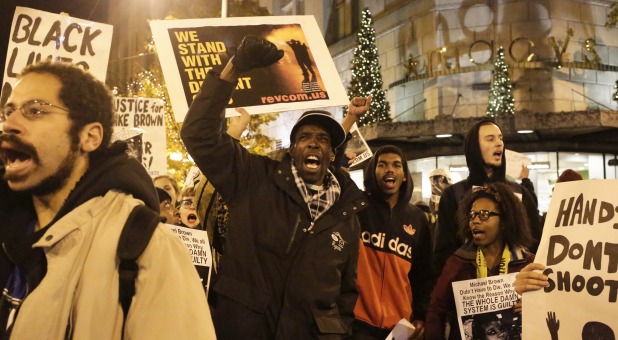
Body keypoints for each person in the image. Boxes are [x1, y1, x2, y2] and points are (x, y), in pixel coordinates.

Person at [0, 61, 214, 339]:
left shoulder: (147, 247)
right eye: (8, 111)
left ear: (89, 137)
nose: (9, 124)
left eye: (36, 110)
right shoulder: (8, 227)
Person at [181, 34, 371, 338]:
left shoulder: (347, 215)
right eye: (305, 137)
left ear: (332, 154)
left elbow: (345, 296)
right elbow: (199, 135)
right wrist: (234, 69)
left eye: (323, 139)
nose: (314, 143)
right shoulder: (254, 178)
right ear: (292, 150)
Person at [425, 182, 535, 340]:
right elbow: (436, 310)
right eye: (471, 215)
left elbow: (549, 309)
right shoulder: (458, 262)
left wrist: (534, 307)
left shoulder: (527, 263)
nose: (474, 221)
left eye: (484, 215)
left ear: (505, 220)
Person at [434, 119, 541, 275]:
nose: (499, 144)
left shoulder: (521, 194)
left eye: (501, 138)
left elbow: (535, 243)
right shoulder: (453, 195)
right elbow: (443, 250)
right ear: (474, 148)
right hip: (468, 289)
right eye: (490, 139)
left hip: (516, 289)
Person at [348, 145, 433, 339]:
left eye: (396, 165)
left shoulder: (417, 218)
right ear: (372, 172)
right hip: (356, 325)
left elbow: (424, 275)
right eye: (382, 164)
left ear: (404, 175)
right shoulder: (357, 207)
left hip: (400, 329)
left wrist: (421, 315)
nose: (389, 169)